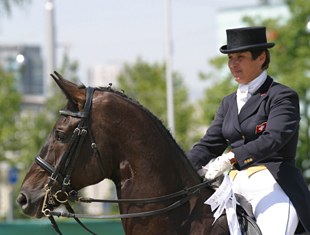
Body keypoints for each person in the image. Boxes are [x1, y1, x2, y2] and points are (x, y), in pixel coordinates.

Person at [187, 26, 310, 235]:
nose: (233, 65)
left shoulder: (281, 96)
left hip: (272, 184)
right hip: (232, 187)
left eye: (240, 57)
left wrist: (230, 159)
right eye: (230, 58)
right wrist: (183, 166)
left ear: (261, 57)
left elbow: (273, 139)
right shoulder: (228, 103)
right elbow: (209, 145)